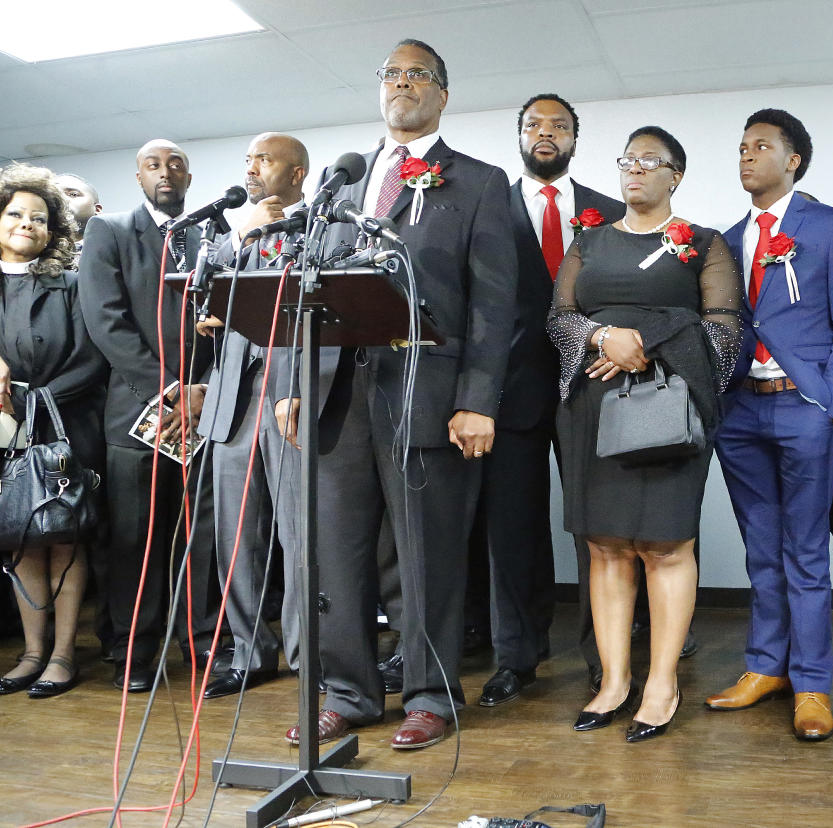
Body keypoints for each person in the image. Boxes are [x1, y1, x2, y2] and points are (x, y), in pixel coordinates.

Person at [277, 39, 517, 750]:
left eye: (418, 74)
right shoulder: (341, 182)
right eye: (391, 73)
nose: (402, 84)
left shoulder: (479, 182)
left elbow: (494, 304)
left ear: (443, 94)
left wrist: (479, 399)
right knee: (339, 551)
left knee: (427, 553)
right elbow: (307, 291)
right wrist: (295, 383)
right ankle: (349, 690)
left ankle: (428, 693)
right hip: (337, 394)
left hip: (429, 391)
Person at [549, 125, 741, 742]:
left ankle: (661, 682)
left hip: (669, 406)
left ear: (675, 176)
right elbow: (559, 318)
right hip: (591, 405)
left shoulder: (703, 244)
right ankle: (613, 681)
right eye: (626, 160)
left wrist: (647, 345)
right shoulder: (589, 241)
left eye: (648, 161)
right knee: (604, 546)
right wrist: (604, 339)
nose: (633, 170)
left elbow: (724, 334)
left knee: (665, 546)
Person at [705, 109, 833, 742]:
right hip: (740, 410)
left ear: (793, 160)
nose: (746, 156)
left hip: (804, 406)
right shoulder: (725, 237)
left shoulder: (830, 226)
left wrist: (830, 402)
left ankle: (814, 683)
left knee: (804, 550)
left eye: (761, 147)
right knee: (760, 548)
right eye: (741, 147)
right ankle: (764, 667)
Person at [469, 93, 626, 708]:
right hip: (508, 390)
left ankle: (604, 656)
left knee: (598, 527)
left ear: (575, 140)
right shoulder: (488, 207)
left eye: (559, 125)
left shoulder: (610, 212)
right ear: (519, 135)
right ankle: (517, 656)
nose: (546, 133)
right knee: (512, 529)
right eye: (534, 123)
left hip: (595, 383)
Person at [79, 139, 222, 692]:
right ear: (137, 175)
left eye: (177, 164)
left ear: (190, 175)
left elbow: (229, 319)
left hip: (205, 411)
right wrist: (170, 390)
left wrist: (203, 390)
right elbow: (106, 323)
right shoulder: (110, 230)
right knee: (136, 541)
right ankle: (132, 653)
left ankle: (200, 643)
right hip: (140, 415)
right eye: (154, 165)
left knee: (198, 538)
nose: (167, 172)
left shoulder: (212, 235)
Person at [0, 163, 107, 698]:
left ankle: (61, 655)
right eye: (15, 214)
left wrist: (31, 399)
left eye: (38, 218)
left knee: (63, 538)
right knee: (18, 539)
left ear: (53, 230)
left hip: (63, 425)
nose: (26, 224)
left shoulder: (73, 284)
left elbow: (93, 358)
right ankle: (30, 653)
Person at [198, 132, 310, 699]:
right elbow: (201, 295)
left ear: (295, 175)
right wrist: (240, 237)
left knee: (298, 535)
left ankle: (304, 652)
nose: (252, 169)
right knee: (235, 537)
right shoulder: (232, 232)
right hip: (233, 399)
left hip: (292, 394)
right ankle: (248, 652)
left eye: (264, 160)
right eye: (248, 160)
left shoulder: (321, 227)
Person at [53, 173, 101, 268]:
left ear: (97, 210)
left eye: (73, 194)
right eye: (54, 196)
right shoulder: (33, 254)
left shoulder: (114, 248)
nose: (61, 200)